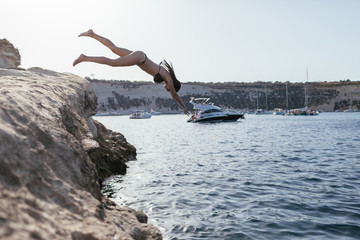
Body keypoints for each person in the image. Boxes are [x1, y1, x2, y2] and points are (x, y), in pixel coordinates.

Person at [73, 29, 189, 115]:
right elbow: (174, 94)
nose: (166, 88)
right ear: (173, 84)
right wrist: (183, 107)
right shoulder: (168, 78)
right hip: (140, 58)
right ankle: (84, 58)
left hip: (140, 57)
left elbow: (172, 92)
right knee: (113, 63)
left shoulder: (166, 77)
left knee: (114, 49)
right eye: (168, 88)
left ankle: (92, 34)